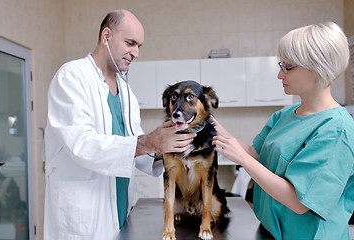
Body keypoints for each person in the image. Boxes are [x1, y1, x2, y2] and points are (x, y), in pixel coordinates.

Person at [43, 9, 195, 240]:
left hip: (120, 209)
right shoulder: (71, 77)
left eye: (139, 46)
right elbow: (83, 144)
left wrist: (167, 148)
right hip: (84, 216)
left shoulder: (125, 91)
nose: (136, 53)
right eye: (130, 43)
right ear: (106, 36)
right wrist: (148, 142)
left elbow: (134, 145)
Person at [212, 22, 354, 239]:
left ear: (318, 67)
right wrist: (207, 122)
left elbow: (299, 203)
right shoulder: (285, 115)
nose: (280, 75)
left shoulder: (337, 129)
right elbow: (256, 154)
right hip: (270, 230)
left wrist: (242, 159)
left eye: (288, 67)